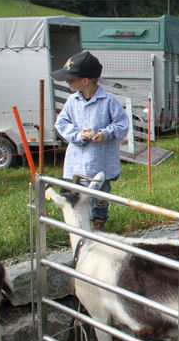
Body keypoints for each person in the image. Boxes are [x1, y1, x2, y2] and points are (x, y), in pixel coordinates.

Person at [52, 50, 129, 230]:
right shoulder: (72, 101)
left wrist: (105, 133)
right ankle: (81, 229)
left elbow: (122, 124)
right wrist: (79, 135)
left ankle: (98, 226)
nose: (68, 82)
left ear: (84, 81)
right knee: (79, 199)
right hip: (79, 166)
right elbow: (61, 123)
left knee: (101, 198)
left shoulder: (109, 101)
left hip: (101, 163)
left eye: (71, 79)